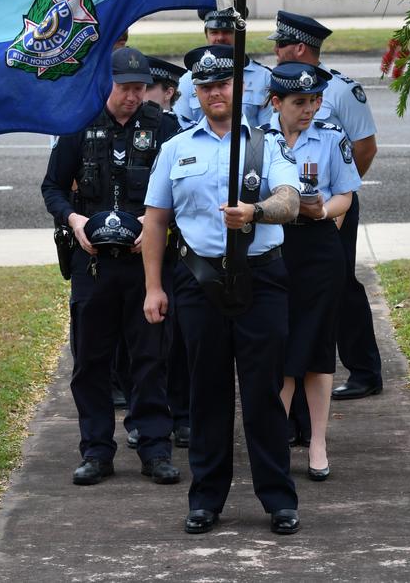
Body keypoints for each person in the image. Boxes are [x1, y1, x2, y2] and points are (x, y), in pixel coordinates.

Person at [142, 44, 301, 536]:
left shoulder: (267, 145)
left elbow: (290, 202)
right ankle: (206, 499)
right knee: (206, 391)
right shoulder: (175, 148)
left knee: (263, 393)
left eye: (223, 83)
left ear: (240, 88)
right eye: (206, 85)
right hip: (199, 281)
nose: (215, 92)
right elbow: (156, 220)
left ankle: (278, 499)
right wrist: (153, 287)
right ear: (195, 91)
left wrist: (255, 212)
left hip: (261, 278)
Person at [41, 46, 181, 486]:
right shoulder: (77, 124)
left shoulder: (165, 127)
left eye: (140, 89)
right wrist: (74, 219)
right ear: (108, 84)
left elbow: (185, 188)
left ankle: (156, 448)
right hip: (94, 265)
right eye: (125, 88)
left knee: (150, 359)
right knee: (91, 361)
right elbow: (52, 188)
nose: (133, 97)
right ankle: (96, 450)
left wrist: (156, 221)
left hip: (147, 265)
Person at [268, 11, 383, 400]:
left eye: (280, 45)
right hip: (284, 212)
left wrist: (336, 201)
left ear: (299, 47)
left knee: (341, 286)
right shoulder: (276, 86)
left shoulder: (341, 91)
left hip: (332, 209)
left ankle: (364, 369)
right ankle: (293, 373)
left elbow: (364, 147)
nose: (275, 51)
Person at [265, 62, 361, 479]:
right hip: (272, 246)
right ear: (276, 102)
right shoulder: (255, 138)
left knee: (318, 347)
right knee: (277, 345)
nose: (309, 109)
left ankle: (317, 442)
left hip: (319, 247)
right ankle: (273, 440)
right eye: (299, 102)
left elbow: (346, 194)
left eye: (315, 100)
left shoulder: (331, 137)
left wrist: (323, 209)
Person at [124, 55, 191, 452]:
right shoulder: (111, 128)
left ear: (168, 92)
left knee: (176, 339)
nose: (143, 96)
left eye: (148, 88)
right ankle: (142, 415)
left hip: (168, 250)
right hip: (124, 250)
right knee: (137, 345)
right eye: (136, 88)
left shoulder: (172, 131)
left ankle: (182, 415)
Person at [173, 7, 271, 127]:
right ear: (206, 35)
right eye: (214, 32)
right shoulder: (188, 80)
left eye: (227, 31)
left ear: (239, 34)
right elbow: (182, 127)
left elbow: (267, 129)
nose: (220, 37)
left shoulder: (263, 77)